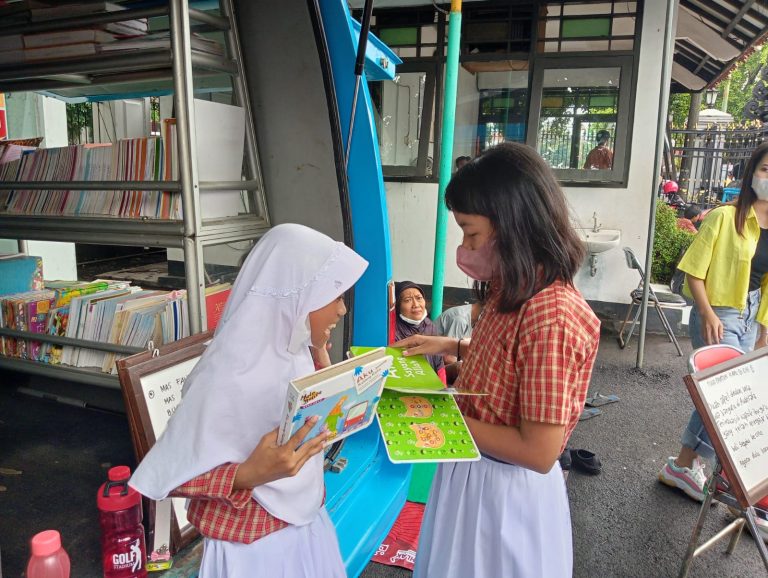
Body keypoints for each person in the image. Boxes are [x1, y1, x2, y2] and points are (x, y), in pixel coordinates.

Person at [394, 142, 601, 577]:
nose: (465, 248)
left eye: (472, 233)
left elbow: (539, 450)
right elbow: (510, 363)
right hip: (476, 475)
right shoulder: (513, 287)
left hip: (504, 496)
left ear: (514, 225)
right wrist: (449, 347)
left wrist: (439, 416)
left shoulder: (551, 315)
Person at [129, 223, 369, 577]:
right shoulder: (228, 375)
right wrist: (247, 475)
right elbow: (172, 472)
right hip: (253, 553)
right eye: (333, 296)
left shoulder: (296, 352)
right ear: (295, 296)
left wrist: (323, 364)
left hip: (305, 525)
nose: (341, 311)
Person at [658, 142, 768, 502]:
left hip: (752, 314)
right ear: (752, 173)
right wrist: (706, 313)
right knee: (726, 393)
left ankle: (688, 464)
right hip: (718, 310)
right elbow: (693, 270)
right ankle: (695, 467)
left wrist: (764, 331)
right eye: (765, 169)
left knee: (726, 393)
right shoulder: (724, 217)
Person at [393, 280, 446, 382]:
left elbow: (439, 362)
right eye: (408, 300)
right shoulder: (393, 329)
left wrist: (443, 389)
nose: (416, 305)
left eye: (419, 298)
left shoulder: (429, 325)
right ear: (398, 306)